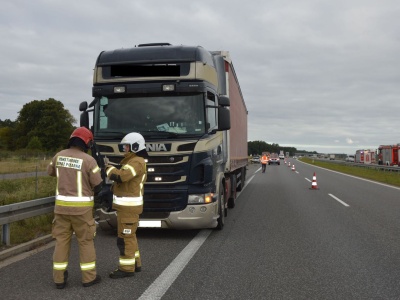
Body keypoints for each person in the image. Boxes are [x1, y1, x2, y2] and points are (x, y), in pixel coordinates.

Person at [47, 127, 103, 289]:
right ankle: (88, 278)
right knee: (85, 242)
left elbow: (50, 172)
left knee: (61, 242)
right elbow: (98, 184)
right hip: (82, 211)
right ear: (87, 142)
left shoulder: (59, 155)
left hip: (61, 210)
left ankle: (59, 279)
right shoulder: (89, 160)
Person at [106, 132, 147, 279]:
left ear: (135, 147)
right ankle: (135, 263)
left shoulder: (136, 162)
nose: (124, 149)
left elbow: (121, 176)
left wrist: (108, 168)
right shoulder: (131, 161)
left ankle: (126, 268)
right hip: (127, 208)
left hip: (129, 208)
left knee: (124, 239)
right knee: (130, 237)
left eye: (126, 146)